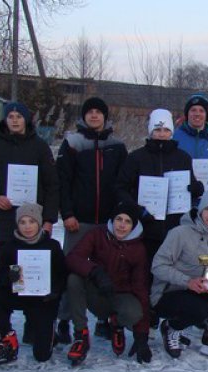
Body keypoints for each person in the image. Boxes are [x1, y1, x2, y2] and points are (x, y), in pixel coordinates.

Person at [55, 97, 127, 345]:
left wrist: (120, 216)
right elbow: (62, 182)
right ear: (83, 116)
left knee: (106, 271)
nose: (94, 116)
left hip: (108, 223)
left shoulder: (117, 146)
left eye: (99, 112)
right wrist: (67, 214)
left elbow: (122, 183)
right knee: (71, 270)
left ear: (105, 117)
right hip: (79, 221)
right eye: (90, 112)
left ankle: (102, 320)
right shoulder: (72, 143)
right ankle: (64, 320)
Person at [151, 190, 208, 359]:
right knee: (200, 311)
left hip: (197, 289)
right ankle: (171, 328)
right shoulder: (180, 233)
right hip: (168, 293)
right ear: (200, 210)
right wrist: (187, 281)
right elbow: (158, 265)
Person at [65, 202, 152, 366]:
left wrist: (142, 337)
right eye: (119, 219)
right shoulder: (97, 234)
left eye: (128, 221)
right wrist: (95, 271)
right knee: (74, 279)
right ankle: (81, 335)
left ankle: (117, 325)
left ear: (133, 225)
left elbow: (140, 287)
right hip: (98, 291)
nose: (122, 225)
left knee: (134, 313)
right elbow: (73, 258)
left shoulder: (138, 248)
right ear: (113, 220)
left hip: (121, 295)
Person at [0, 203, 67, 366]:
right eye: (23, 222)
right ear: (17, 224)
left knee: (42, 356)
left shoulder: (52, 246)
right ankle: (7, 335)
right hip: (18, 295)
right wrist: (10, 277)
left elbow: (62, 275)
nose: (27, 227)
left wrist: (55, 292)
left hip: (43, 301)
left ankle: (48, 331)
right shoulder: (9, 247)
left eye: (32, 222)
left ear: (39, 223)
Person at [0, 101, 59, 245]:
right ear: (5, 120)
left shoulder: (40, 146)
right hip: (5, 219)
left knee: (33, 264)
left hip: (34, 219)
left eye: (19, 116)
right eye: (10, 116)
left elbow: (51, 185)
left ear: (26, 119)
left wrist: (48, 220)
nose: (14, 120)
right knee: (7, 265)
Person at [172, 93, 208, 194]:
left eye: (201, 111)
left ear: (206, 114)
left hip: (207, 202)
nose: (197, 114)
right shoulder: (174, 138)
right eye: (193, 110)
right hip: (180, 198)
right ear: (187, 114)